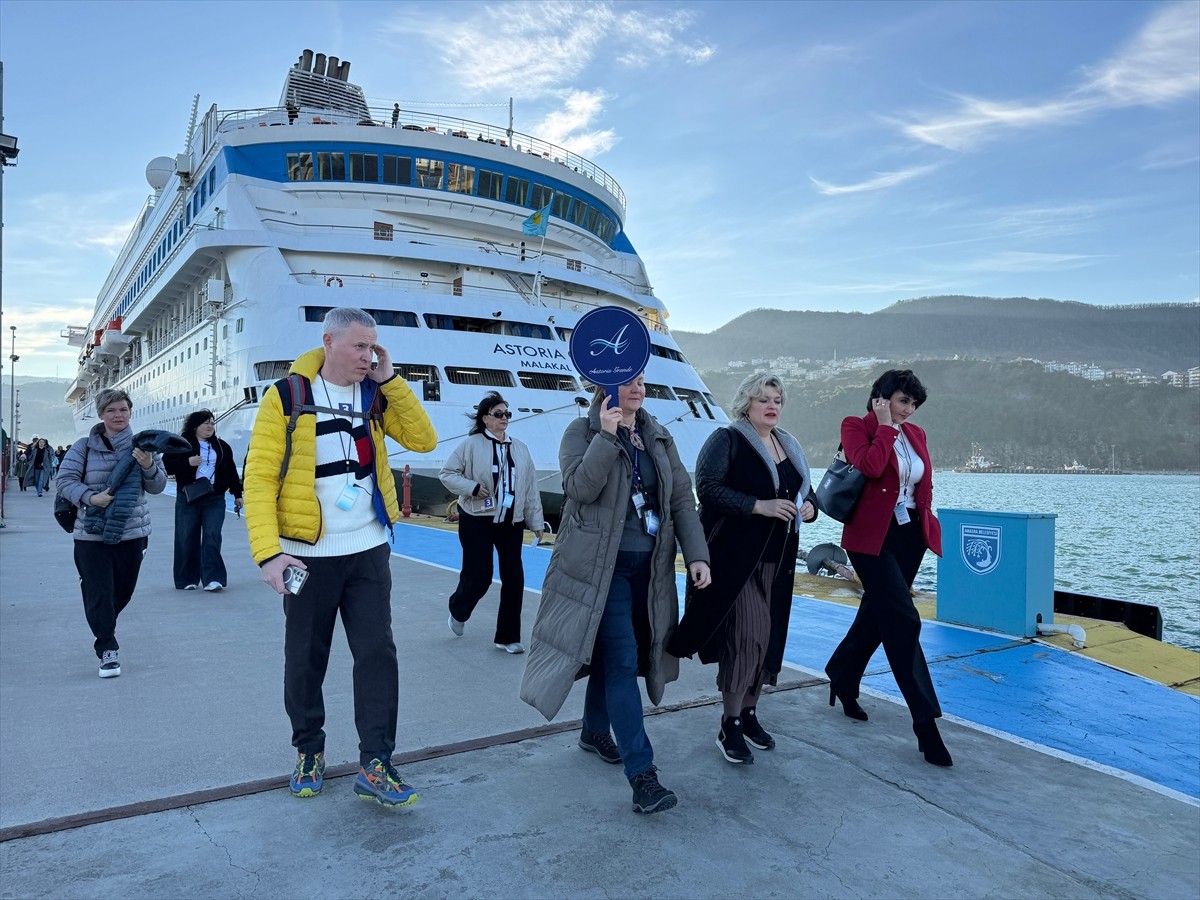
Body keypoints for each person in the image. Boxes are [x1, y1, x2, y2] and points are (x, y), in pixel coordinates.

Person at [243, 307, 437, 805]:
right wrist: (269, 555)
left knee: (377, 654)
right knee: (305, 658)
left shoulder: (375, 394)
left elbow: (423, 439)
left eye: (373, 346)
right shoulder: (286, 397)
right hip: (306, 557)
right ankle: (309, 749)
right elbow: (260, 479)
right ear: (328, 341)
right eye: (358, 346)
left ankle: (377, 762)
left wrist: (391, 381)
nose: (367, 355)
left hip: (368, 550)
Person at [520, 374, 711, 815]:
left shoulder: (657, 435)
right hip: (599, 572)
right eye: (628, 382)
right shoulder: (581, 432)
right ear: (605, 387)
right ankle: (642, 775)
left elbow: (682, 501)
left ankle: (592, 730)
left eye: (643, 382)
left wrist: (697, 555)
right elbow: (579, 491)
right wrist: (606, 438)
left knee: (615, 654)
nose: (638, 389)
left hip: (651, 568)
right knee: (624, 658)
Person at [669, 372, 817, 765]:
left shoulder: (789, 444)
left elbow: (805, 490)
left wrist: (810, 507)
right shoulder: (728, 439)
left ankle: (750, 714)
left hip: (779, 562)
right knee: (748, 638)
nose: (772, 405)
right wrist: (759, 505)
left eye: (777, 400)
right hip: (736, 561)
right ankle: (729, 723)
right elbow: (708, 488)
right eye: (763, 398)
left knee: (768, 640)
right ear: (746, 404)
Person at [823, 369, 951, 767]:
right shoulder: (856, 426)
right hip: (870, 539)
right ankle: (925, 724)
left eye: (913, 404)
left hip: (909, 536)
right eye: (901, 401)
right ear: (880, 398)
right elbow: (872, 467)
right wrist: (883, 426)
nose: (908, 410)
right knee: (902, 619)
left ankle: (842, 673)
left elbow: (921, 483)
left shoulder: (917, 434)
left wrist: (924, 525)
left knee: (877, 617)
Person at [55, 389, 168, 678]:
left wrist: (148, 464)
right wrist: (91, 498)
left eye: (123, 410)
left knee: (123, 591)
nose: (118, 415)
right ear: (101, 414)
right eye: (111, 411)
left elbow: (157, 487)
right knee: (98, 591)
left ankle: (103, 622)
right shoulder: (84, 447)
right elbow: (64, 480)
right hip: (90, 535)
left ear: (130, 412)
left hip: (132, 534)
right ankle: (107, 647)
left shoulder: (145, 446)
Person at [439, 391, 544, 653]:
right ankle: (458, 610)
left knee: (514, 578)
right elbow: (447, 474)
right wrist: (473, 487)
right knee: (479, 576)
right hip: (477, 519)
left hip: (511, 521)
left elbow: (530, 487)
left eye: (507, 414)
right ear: (485, 418)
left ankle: (507, 637)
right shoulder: (470, 445)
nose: (504, 418)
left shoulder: (520, 448)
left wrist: (536, 521)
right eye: (499, 414)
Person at [164, 410, 244, 591]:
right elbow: (166, 467)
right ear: (195, 426)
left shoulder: (222, 446)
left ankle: (213, 578)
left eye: (212, 423)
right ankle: (186, 579)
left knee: (212, 536)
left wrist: (237, 494)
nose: (210, 426)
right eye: (205, 423)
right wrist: (187, 463)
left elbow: (230, 470)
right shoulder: (180, 445)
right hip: (188, 497)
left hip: (214, 498)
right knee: (186, 537)